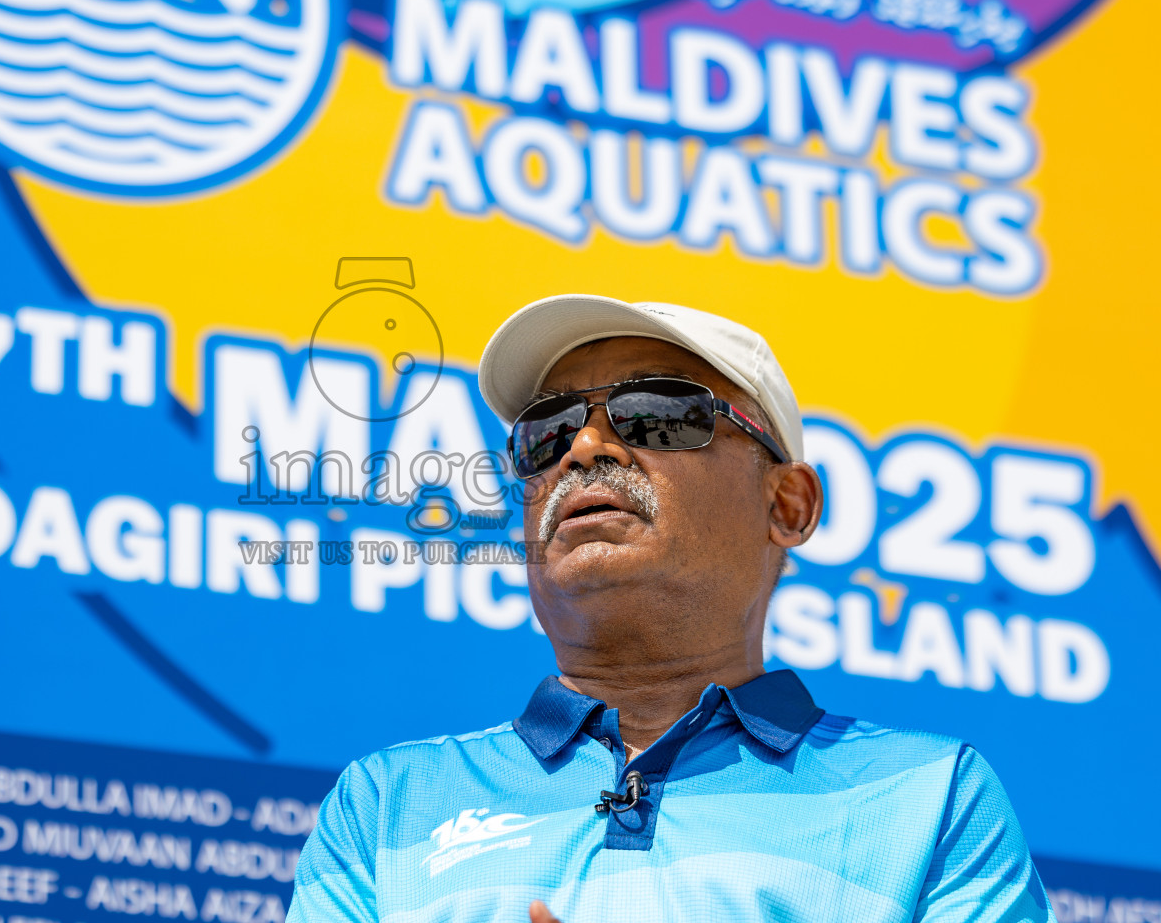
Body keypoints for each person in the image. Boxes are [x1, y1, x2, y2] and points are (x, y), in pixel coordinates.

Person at [286, 295, 1053, 923]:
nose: (584, 448)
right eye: (546, 433)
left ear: (787, 504)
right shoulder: (386, 807)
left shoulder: (930, 801)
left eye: (656, 414)